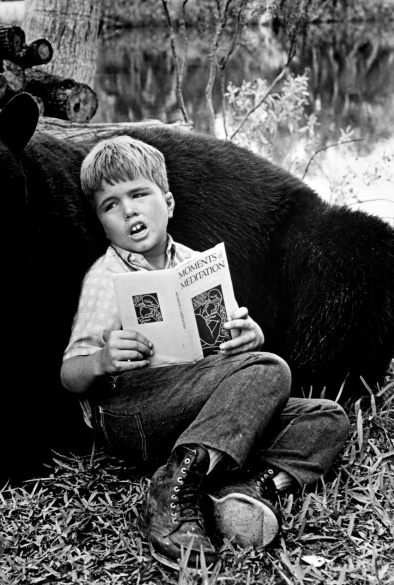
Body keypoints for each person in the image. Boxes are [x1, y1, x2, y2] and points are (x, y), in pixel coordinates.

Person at [60, 136, 350, 570]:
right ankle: (169, 493)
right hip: (135, 411)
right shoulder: (107, 277)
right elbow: (70, 374)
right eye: (111, 205)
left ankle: (247, 490)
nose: (129, 211)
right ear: (103, 223)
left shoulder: (199, 265)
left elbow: (234, 358)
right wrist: (102, 359)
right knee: (269, 371)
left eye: (139, 194)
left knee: (327, 418)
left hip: (200, 406)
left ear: (169, 202)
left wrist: (248, 338)